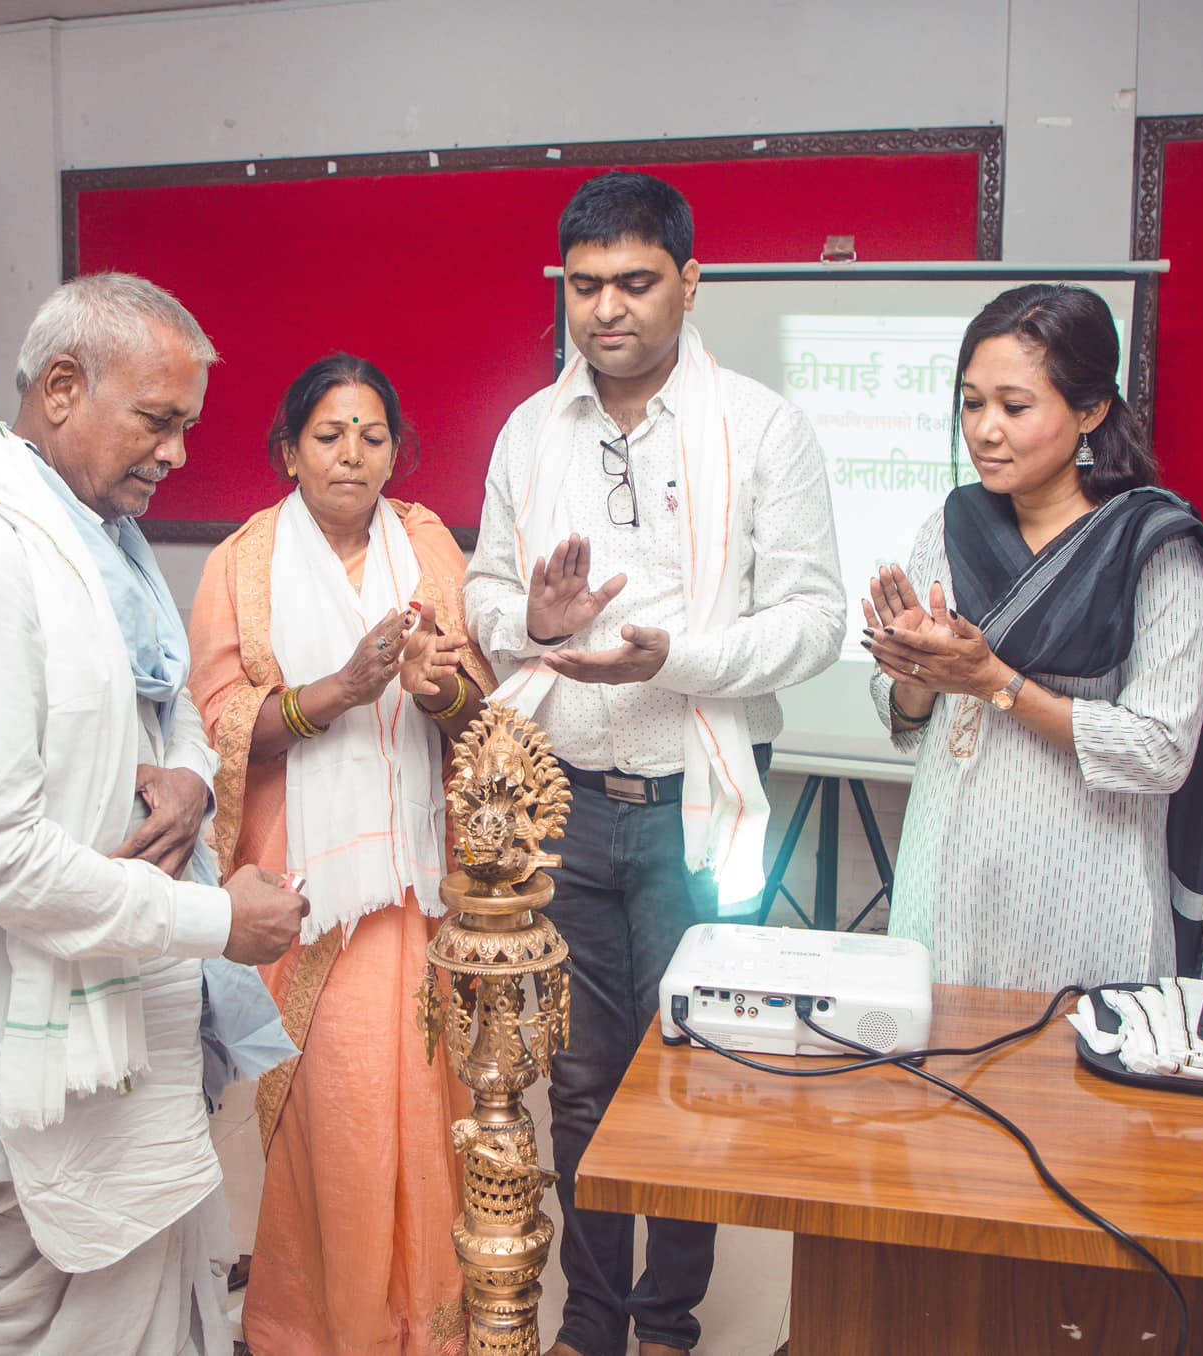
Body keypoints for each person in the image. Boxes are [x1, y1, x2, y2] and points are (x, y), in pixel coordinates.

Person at [0, 272, 309, 1356]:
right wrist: (216, 923)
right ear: (60, 388)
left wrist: (190, 776)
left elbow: (163, 702)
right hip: (16, 1066)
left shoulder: (97, 543)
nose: (177, 454)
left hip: (101, 1049)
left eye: (187, 425)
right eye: (156, 419)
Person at [464, 172, 844, 1356]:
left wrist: (676, 659)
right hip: (564, 808)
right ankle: (591, 1322)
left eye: (634, 282)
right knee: (577, 1080)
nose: (606, 309)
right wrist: (527, 621)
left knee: (689, 1071)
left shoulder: (762, 428)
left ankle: (666, 1321)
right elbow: (482, 596)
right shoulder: (530, 432)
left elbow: (814, 620)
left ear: (690, 281)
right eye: (584, 286)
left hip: (704, 807)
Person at [187, 354, 491, 1356]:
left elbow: (478, 712)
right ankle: (326, 1329)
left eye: (371, 435)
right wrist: (339, 692)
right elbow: (219, 728)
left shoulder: (429, 545)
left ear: (396, 453)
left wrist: (439, 689)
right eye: (328, 435)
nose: (351, 454)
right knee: (342, 1117)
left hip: (422, 885)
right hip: (308, 893)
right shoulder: (242, 565)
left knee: (432, 1105)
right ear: (289, 451)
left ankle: (429, 1327)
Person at [861, 282, 1203, 991]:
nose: (985, 430)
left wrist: (995, 682)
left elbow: (1162, 752)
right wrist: (915, 676)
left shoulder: (1154, 547)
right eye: (972, 403)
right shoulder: (952, 526)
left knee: (1067, 1059)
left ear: (1091, 409)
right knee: (932, 1048)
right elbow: (911, 724)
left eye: (1015, 407)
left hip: (1081, 885)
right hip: (944, 868)